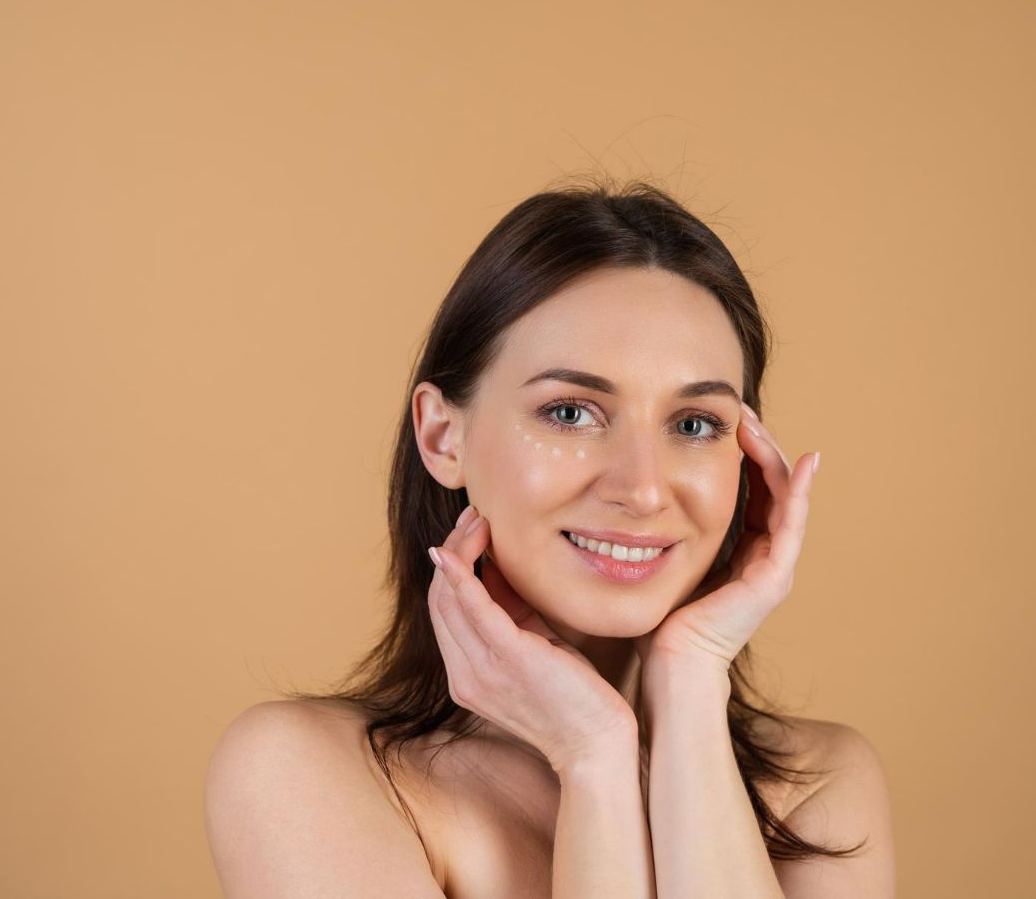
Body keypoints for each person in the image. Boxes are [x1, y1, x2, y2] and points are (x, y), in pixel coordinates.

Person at [204, 175, 896, 898]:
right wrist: (591, 755)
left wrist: (691, 680)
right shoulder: (306, 773)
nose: (644, 488)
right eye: (571, 413)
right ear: (443, 436)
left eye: (694, 425)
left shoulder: (820, 786)